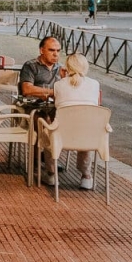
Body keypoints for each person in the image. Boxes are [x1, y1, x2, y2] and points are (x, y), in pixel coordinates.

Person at [39, 53, 101, 189]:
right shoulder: (95, 84)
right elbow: (96, 104)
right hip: (88, 137)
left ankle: (51, 174)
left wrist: (62, 79)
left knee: (47, 131)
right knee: (85, 129)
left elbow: (57, 104)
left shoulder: (58, 85)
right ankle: (86, 176)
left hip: (62, 136)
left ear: (67, 67)